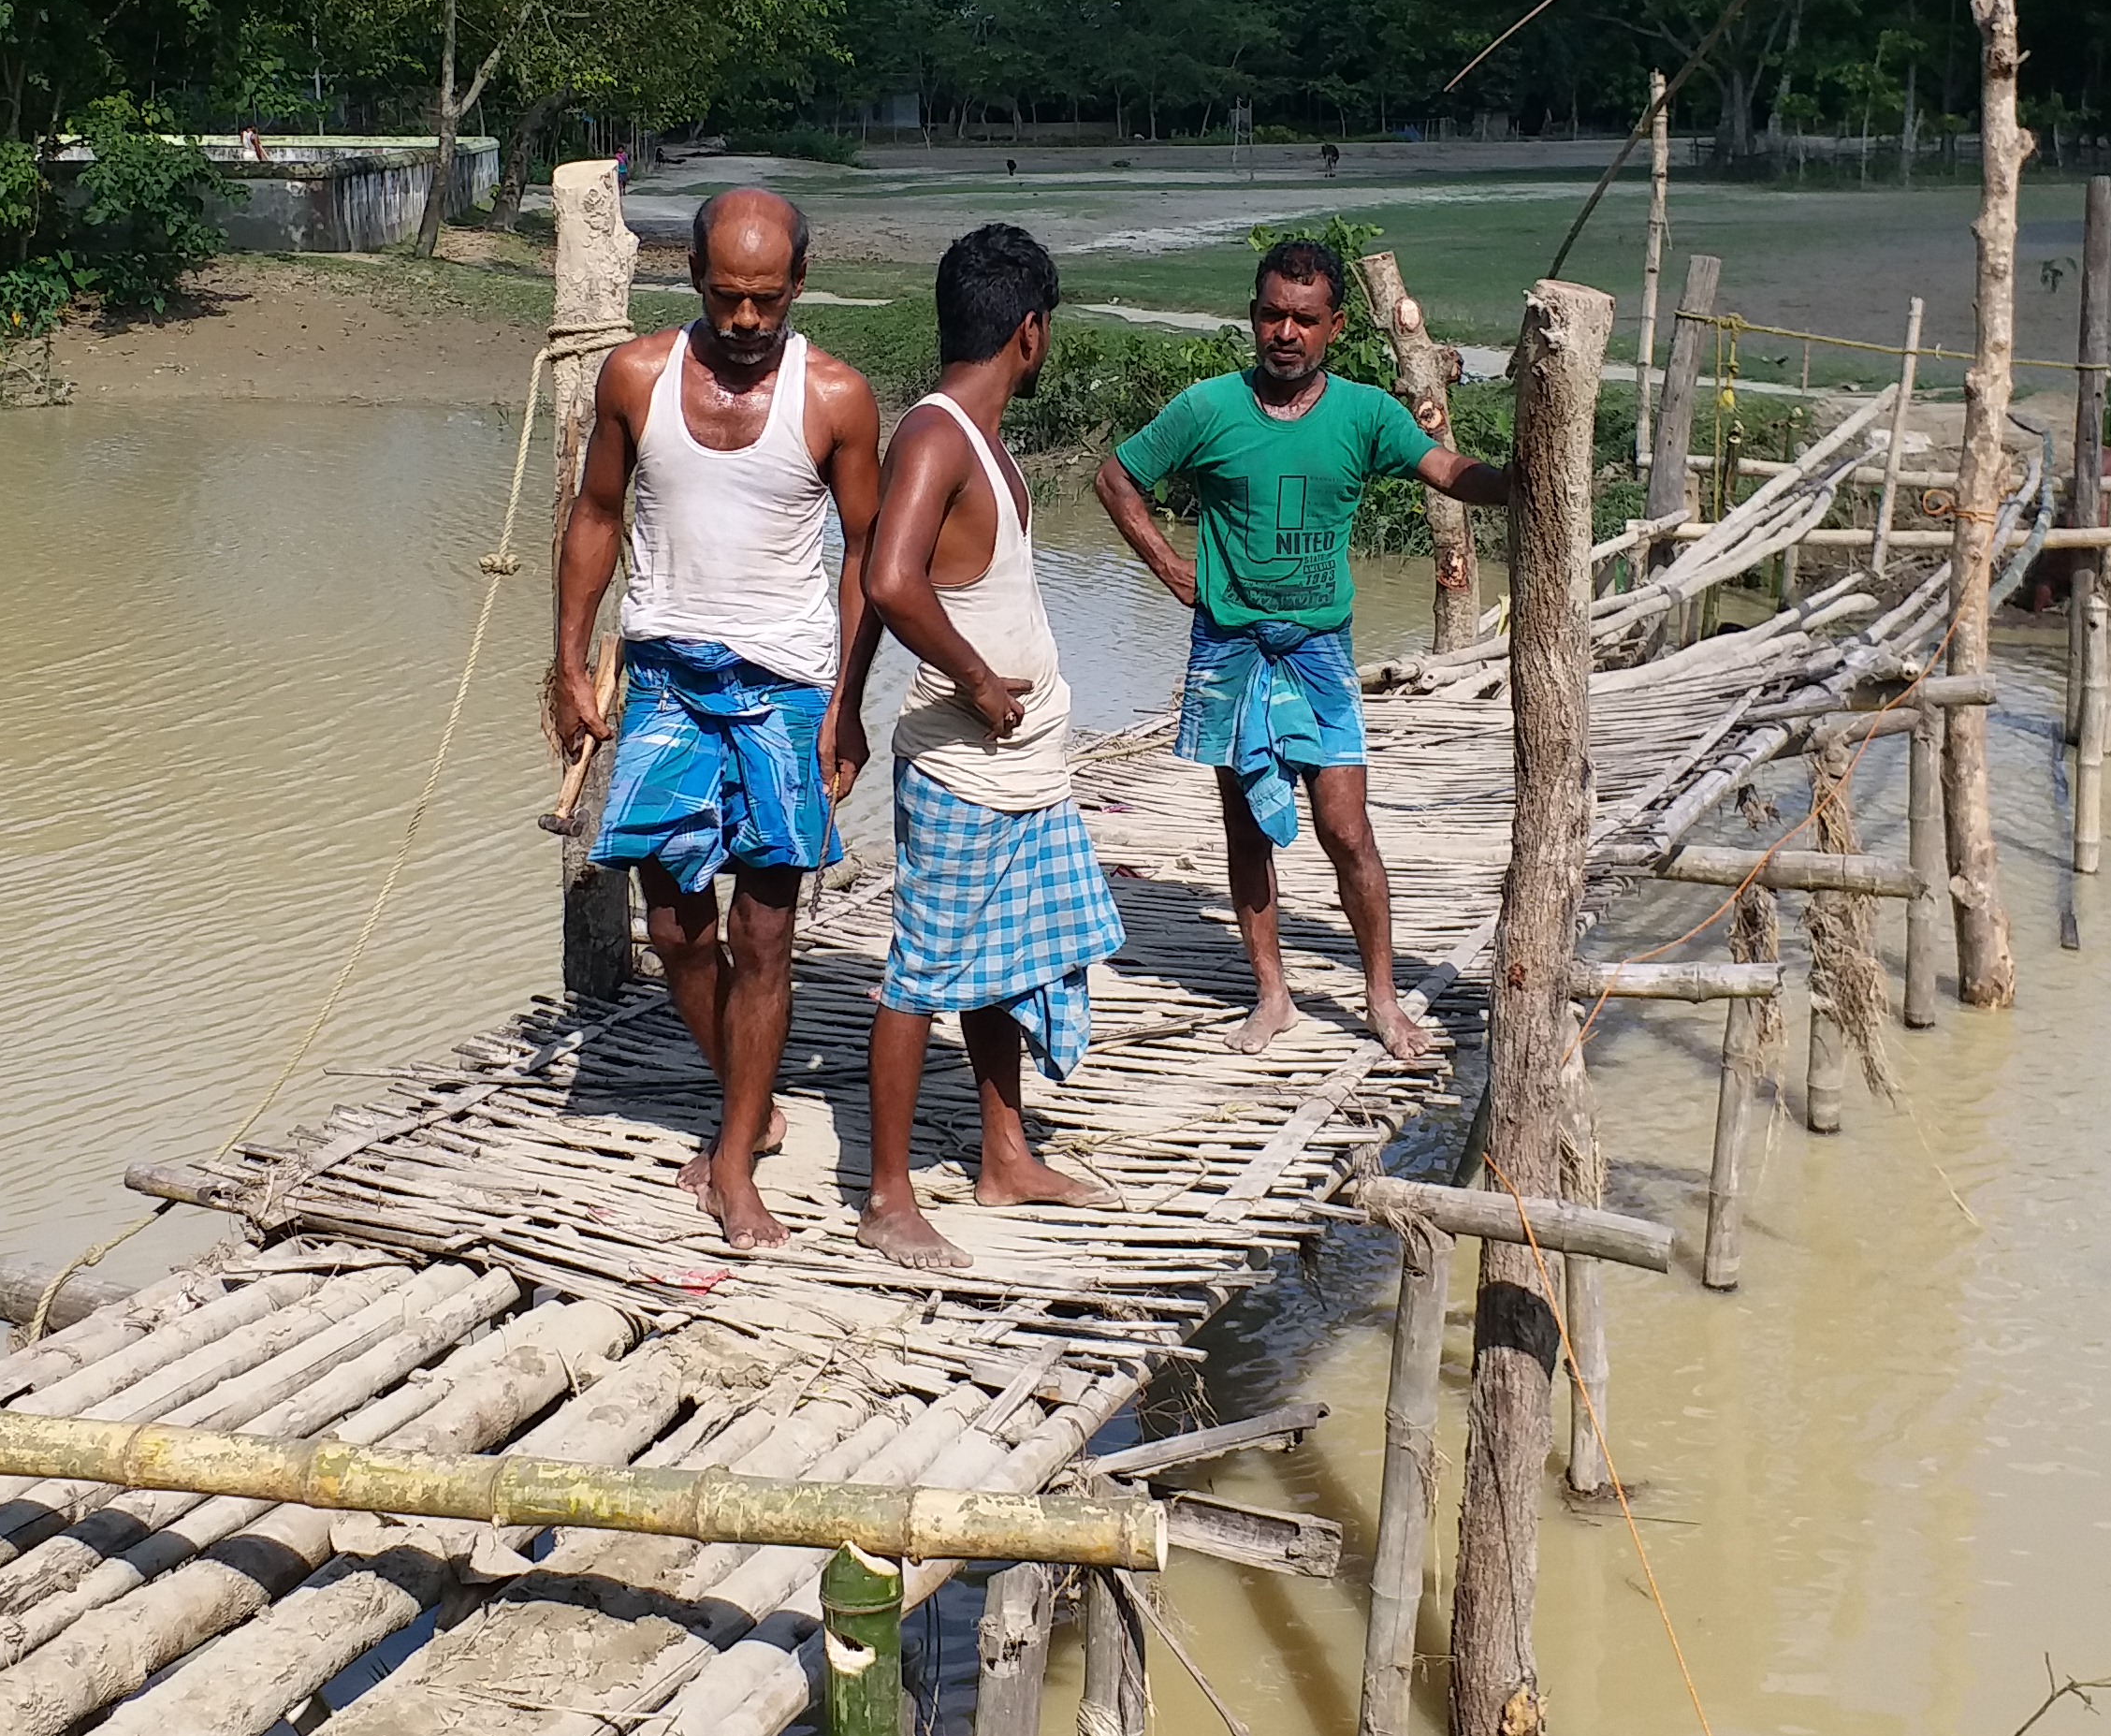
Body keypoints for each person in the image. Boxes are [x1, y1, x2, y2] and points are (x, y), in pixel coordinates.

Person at [551, 187, 883, 1251]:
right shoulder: (635, 377)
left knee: (765, 931)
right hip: (662, 682)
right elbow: (597, 512)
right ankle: (752, 1098)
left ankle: (733, 1159)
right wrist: (567, 661)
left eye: (767, 300)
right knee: (679, 930)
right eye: (726, 297)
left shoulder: (835, 396)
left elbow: (871, 560)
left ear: (799, 284)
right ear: (690, 276)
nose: (746, 323)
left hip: (784, 692)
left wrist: (848, 702)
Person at [1093, 237, 1513, 1061]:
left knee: (1345, 828)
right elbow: (1116, 477)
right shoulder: (1207, 408)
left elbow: (1449, 468)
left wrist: (1521, 475)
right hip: (1229, 646)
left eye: (1305, 320)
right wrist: (1171, 567)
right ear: (1253, 316)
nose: (1286, 333)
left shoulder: (1365, 414)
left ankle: (1383, 999)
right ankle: (1273, 994)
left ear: (1336, 327)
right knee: (1246, 825)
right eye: (1273, 315)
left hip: (1319, 648)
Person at [834, 224, 1123, 1272]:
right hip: (964, 762)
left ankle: (1006, 1155)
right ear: (1032, 334)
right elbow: (890, 579)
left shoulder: (980, 440)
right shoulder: (939, 436)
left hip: (1020, 761)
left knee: (1009, 961)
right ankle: (886, 1196)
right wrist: (974, 679)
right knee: (922, 973)